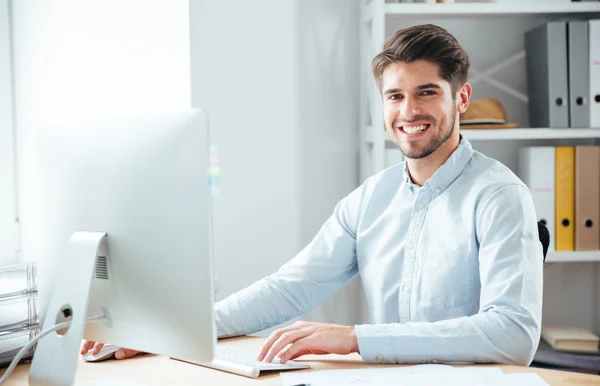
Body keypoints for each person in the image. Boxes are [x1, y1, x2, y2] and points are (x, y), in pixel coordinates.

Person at [81, 24, 543, 366]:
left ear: (461, 98)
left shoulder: (500, 196)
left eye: (426, 93)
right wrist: (171, 330)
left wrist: (356, 338)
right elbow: (291, 287)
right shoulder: (370, 199)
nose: (409, 111)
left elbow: (513, 332)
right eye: (394, 96)